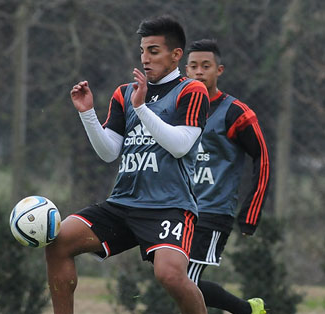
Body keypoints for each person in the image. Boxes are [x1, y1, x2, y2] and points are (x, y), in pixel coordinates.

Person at [45, 15, 209, 314]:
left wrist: (142, 108)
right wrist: (87, 113)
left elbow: (181, 145)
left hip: (169, 206)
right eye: (143, 51)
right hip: (123, 204)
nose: (145, 58)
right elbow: (109, 152)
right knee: (58, 242)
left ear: (176, 55)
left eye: (154, 51)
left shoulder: (191, 91)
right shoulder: (125, 92)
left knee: (169, 275)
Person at [185, 39, 270, 314]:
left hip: (212, 212)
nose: (199, 72)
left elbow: (263, 158)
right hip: (177, 209)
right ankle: (247, 311)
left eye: (206, 66)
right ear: (185, 70)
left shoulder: (236, 113)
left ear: (219, 70)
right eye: (194, 66)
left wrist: (251, 213)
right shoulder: (177, 109)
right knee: (173, 278)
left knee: (185, 281)